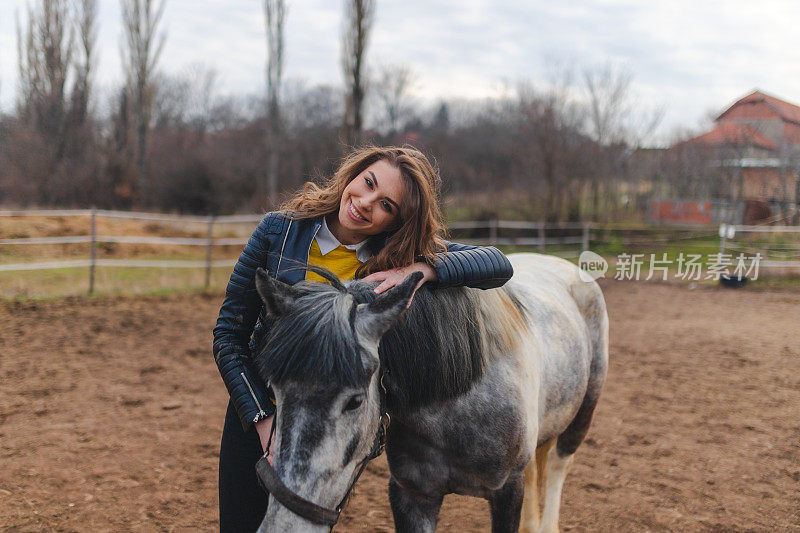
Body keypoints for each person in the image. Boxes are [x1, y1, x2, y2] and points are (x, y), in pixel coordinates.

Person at [212, 145, 514, 532]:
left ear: (396, 221)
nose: (366, 202)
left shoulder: (391, 256)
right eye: (368, 183)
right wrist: (263, 420)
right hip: (258, 409)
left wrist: (422, 269)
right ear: (353, 173)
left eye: (387, 205)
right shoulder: (278, 230)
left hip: (328, 426)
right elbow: (229, 336)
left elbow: (497, 264)